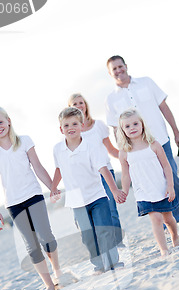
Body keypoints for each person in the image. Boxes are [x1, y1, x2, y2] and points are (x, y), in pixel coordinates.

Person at [0, 106, 61, 290]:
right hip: (13, 204)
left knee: (46, 237)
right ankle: (49, 285)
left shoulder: (24, 141)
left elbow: (37, 166)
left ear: (9, 121)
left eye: (0, 122)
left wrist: (52, 186)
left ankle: (58, 272)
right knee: (31, 245)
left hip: (33, 195)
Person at [105, 55, 179, 228]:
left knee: (172, 179)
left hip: (160, 140)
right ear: (110, 73)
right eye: (114, 69)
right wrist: (122, 150)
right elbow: (115, 128)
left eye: (120, 66)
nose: (119, 71)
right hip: (136, 150)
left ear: (126, 66)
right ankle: (163, 224)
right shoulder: (111, 99)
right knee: (150, 184)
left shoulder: (146, 82)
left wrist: (177, 132)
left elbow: (164, 107)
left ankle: (176, 218)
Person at [51, 107, 127, 275]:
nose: (71, 127)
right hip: (76, 201)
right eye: (66, 125)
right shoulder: (58, 149)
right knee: (87, 236)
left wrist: (114, 191)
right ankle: (99, 265)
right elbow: (58, 169)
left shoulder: (91, 146)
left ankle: (113, 262)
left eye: (75, 124)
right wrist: (54, 187)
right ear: (60, 129)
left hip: (97, 196)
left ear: (82, 125)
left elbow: (103, 169)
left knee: (104, 230)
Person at [117, 108, 179, 257]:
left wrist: (170, 186)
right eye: (127, 126)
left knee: (168, 219)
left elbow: (166, 166)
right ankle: (163, 249)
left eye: (135, 124)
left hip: (161, 187)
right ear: (122, 130)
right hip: (143, 191)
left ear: (142, 125)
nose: (132, 128)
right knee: (156, 219)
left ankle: (175, 237)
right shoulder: (124, 152)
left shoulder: (154, 144)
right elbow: (125, 175)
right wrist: (124, 191)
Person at [68, 93, 123, 244]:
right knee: (95, 214)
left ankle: (118, 242)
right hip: (86, 178)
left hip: (105, 173)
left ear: (85, 105)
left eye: (81, 102)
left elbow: (111, 150)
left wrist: (128, 158)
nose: (79, 106)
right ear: (70, 108)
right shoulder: (71, 131)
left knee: (111, 208)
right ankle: (105, 244)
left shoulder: (98, 125)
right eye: (75, 104)